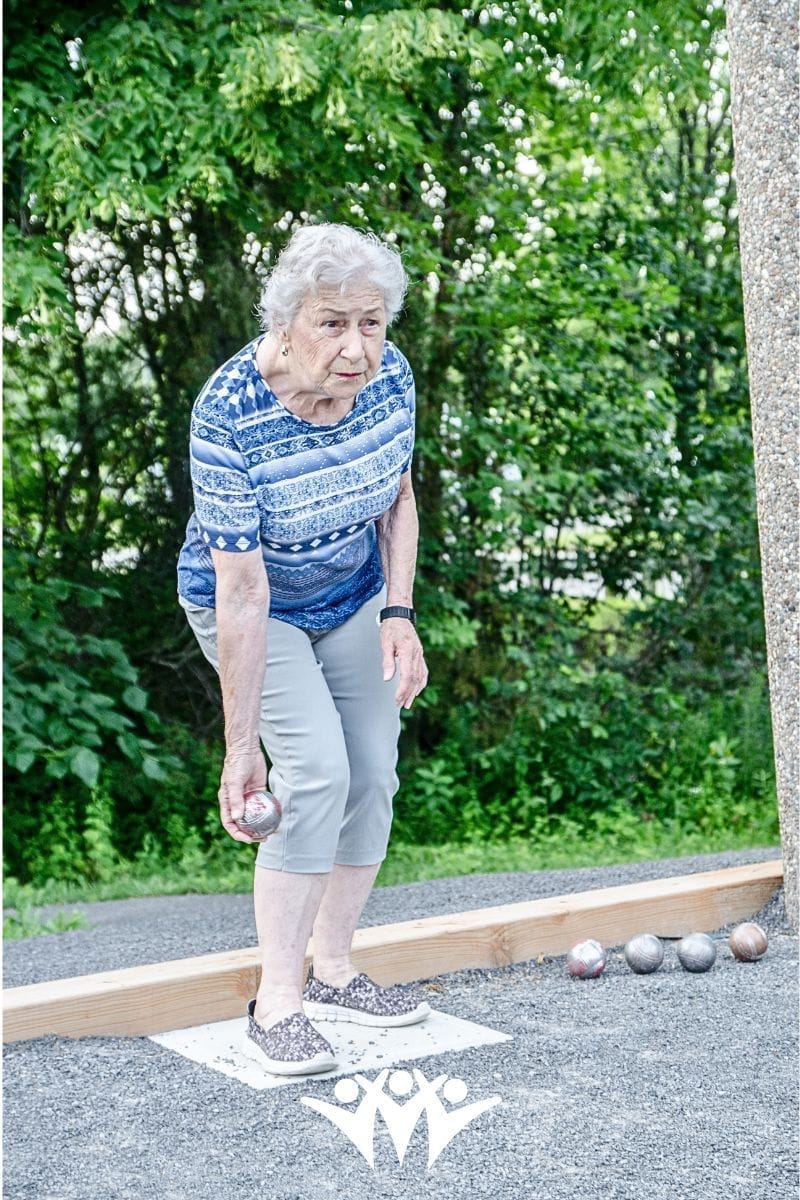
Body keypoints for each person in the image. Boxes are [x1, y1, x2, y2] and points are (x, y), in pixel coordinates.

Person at [177, 223, 430, 1075]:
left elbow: (397, 499)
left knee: (372, 768)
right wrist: (239, 753)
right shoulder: (228, 411)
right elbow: (243, 591)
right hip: (255, 607)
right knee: (314, 771)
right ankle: (275, 1002)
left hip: (353, 594)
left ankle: (334, 971)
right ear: (286, 323)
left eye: (372, 323)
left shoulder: (392, 380)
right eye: (333, 324)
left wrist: (399, 611)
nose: (358, 348)